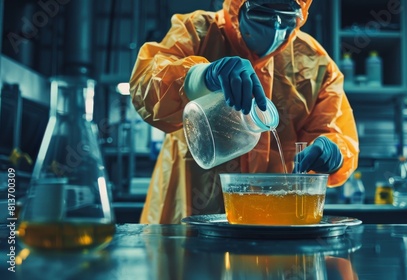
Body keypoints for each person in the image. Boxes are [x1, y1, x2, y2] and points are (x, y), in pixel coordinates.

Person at [129, 0, 359, 224]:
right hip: (188, 217)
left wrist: (335, 152)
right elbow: (145, 88)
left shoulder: (315, 62)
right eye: (263, 12)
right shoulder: (198, 31)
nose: (276, 25)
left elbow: (335, 131)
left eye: (287, 12)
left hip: (273, 224)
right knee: (187, 259)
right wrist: (200, 77)